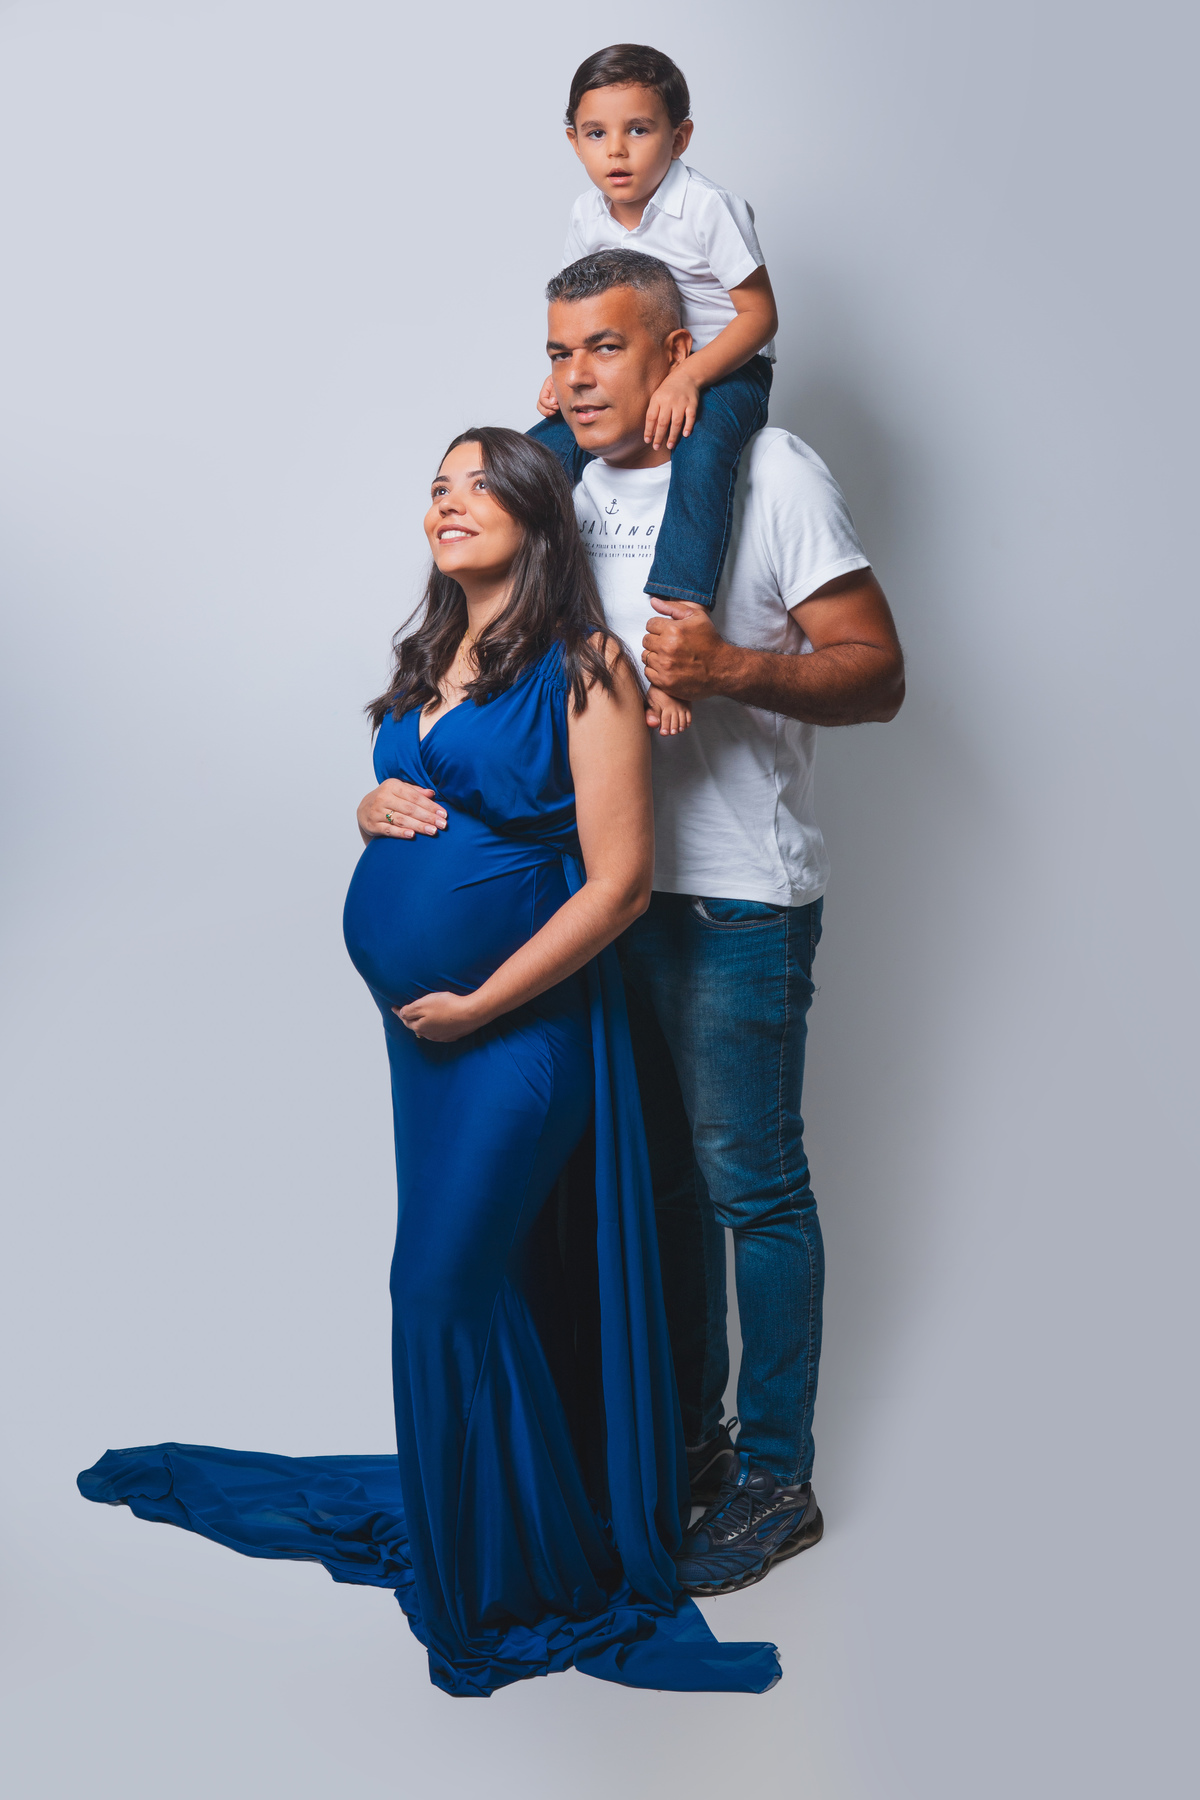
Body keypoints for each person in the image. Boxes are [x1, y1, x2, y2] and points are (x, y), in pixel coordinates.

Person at [77, 429, 782, 1697]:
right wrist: (369, 807)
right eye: (436, 489)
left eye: (477, 487)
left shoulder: (588, 665)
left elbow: (620, 885)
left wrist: (479, 1005)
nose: (447, 504)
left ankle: (504, 1575)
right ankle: (504, 1519)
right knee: (487, 1282)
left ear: (537, 516)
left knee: (435, 1287)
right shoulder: (433, 656)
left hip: (521, 1033)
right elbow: (412, 797)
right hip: (429, 1048)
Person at [531, 42, 780, 736]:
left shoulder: (706, 208)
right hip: (635, 374)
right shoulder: (588, 215)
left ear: (680, 136)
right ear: (573, 140)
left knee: (700, 456)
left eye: (638, 130)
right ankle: (523, 629)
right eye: (595, 133)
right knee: (536, 456)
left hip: (725, 368)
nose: (617, 151)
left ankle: (675, 638)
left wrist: (691, 376)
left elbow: (760, 315)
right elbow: (580, 312)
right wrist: (563, 371)